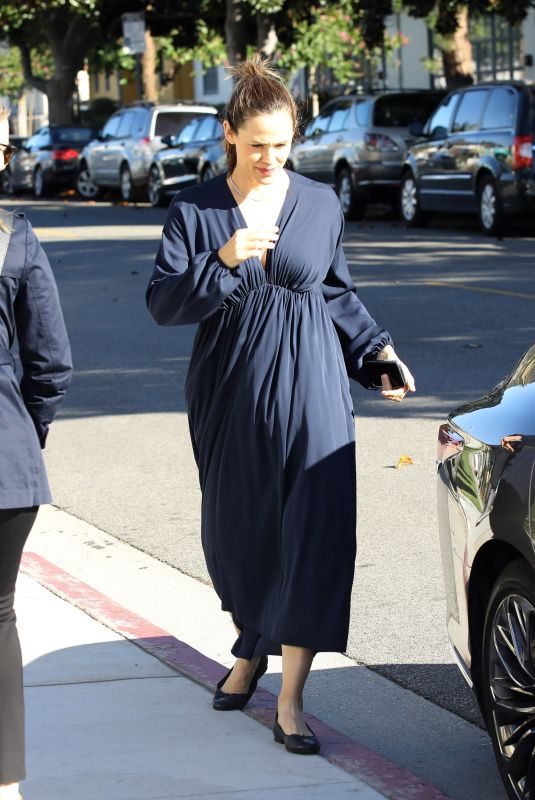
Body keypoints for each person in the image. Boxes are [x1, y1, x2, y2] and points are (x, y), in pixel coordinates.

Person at [147, 57, 414, 755]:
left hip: (313, 389)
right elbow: (164, 303)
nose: (270, 157)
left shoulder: (320, 204)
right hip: (229, 393)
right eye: (256, 143)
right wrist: (224, 259)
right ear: (228, 134)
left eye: (282, 143)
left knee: (314, 534)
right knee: (241, 538)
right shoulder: (197, 209)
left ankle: (291, 700)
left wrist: (376, 354)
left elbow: (334, 292)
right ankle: (248, 649)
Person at [0, 104, 72, 800]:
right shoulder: (14, 240)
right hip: (6, 460)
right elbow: (50, 365)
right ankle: (3, 780)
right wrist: (26, 433)